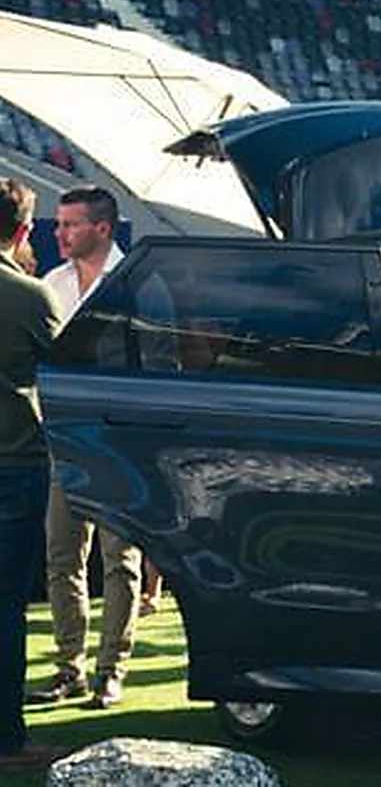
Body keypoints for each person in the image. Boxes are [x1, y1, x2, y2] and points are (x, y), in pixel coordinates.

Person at [26, 187, 141, 711]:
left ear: (102, 228)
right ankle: (68, 667)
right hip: (66, 440)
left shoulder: (136, 282)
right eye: (59, 224)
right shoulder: (52, 283)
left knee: (122, 560)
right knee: (62, 556)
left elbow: (158, 363)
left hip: (120, 440)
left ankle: (110, 671)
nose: (59, 233)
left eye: (70, 225)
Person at [0, 179, 64, 766]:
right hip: (13, 462)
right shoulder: (30, 296)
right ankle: (7, 739)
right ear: (22, 230)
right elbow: (71, 373)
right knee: (5, 607)